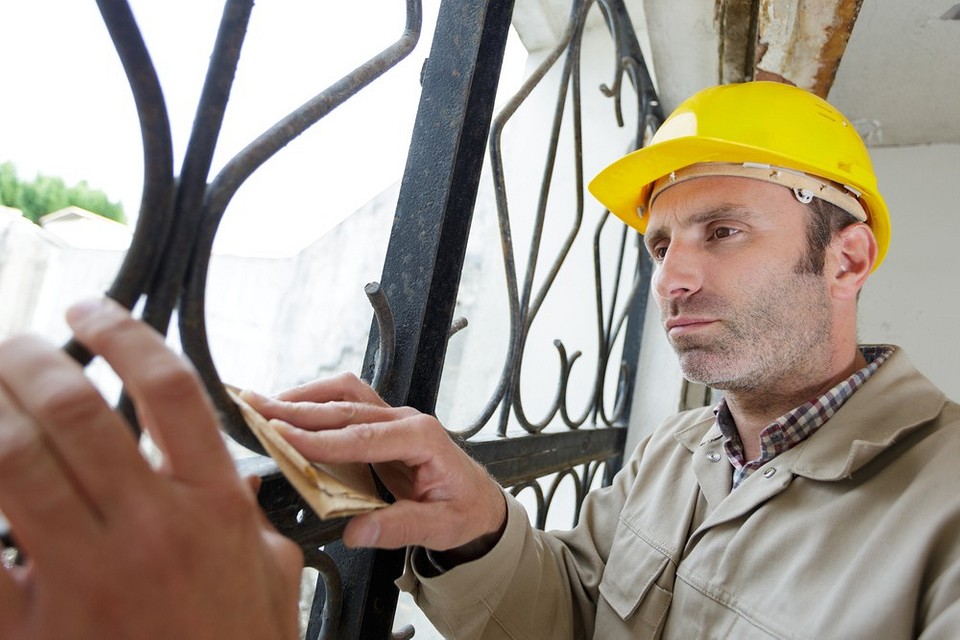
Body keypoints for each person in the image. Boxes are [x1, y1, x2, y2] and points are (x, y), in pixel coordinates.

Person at [0, 81, 956, 639]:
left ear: (847, 256)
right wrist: (477, 525)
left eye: (722, 230)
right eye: (661, 245)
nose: (675, 276)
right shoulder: (676, 452)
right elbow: (574, 618)